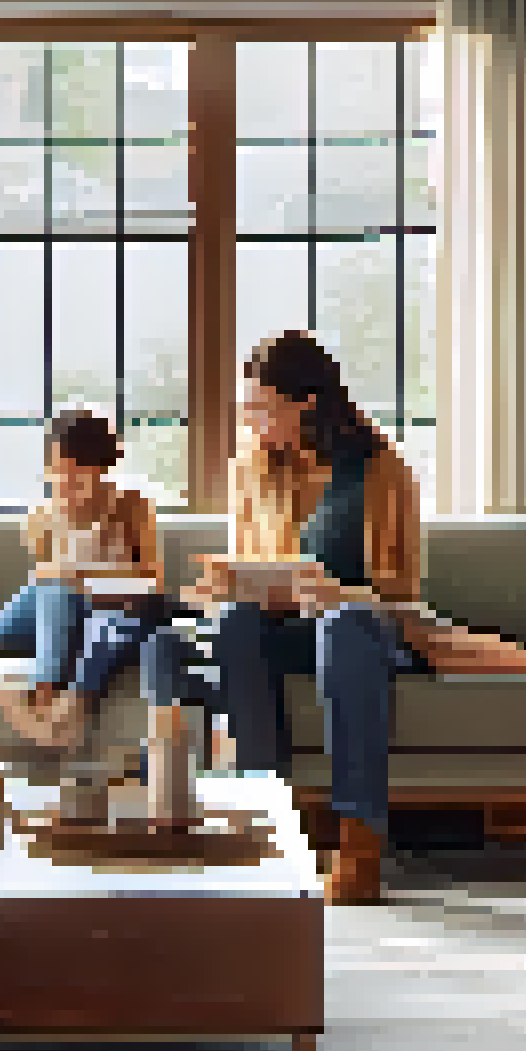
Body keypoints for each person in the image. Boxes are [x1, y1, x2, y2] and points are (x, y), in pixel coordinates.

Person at [137, 329, 430, 904]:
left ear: (307, 404)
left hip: (361, 628)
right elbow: (246, 562)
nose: (251, 422)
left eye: (262, 408)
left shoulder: (380, 470)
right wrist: (228, 587)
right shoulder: (251, 471)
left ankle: (359, 843)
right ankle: (267, 817)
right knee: (235, 622)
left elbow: (403, 588)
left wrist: (337, 591)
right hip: (277, 626)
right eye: (247, 409)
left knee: (344, 627)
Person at [0, 410, 169, 752]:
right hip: (62, 608)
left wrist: (87, 575)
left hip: (113, 604)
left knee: (63, 590)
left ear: (100, 466)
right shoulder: (41, 516)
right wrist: (65, 546)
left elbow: (152, 581)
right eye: (55, 467)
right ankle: (53, 706)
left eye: (71, 468)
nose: (60, 478)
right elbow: (45, 577)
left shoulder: (131, 505)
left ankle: (46, 698)